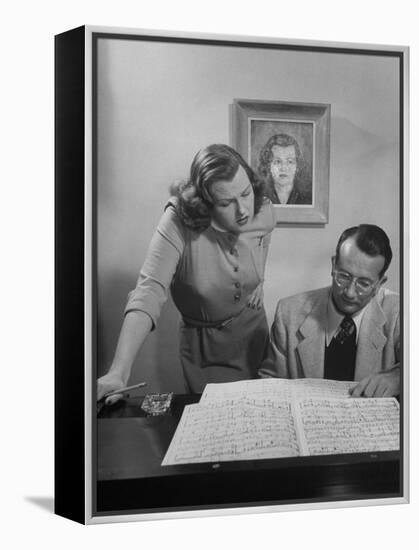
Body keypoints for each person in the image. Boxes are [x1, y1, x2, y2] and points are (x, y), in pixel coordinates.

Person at [98, 144, 276, 400]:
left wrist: (260, 278)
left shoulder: (264, 209)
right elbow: (149, 290)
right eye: (226, 203)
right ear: (205, 202)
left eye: (246, 193)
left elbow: (265, 234)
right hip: (204, 349)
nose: (244, 210)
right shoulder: (178, 221)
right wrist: (118, 371)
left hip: (253, 335)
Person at [259, 224, 400, 397]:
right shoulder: (289, 313)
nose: (349, 292)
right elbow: (268, 385)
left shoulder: (398, 313)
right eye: (344, 276)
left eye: (363, 283)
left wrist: (400, 377)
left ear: (379, 284)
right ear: (333, 265)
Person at [257, 133, 311, 205]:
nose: (283, 168)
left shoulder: (308, 198)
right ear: (268, 165)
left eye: (290, 162)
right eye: (278, 161)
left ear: (297, 166)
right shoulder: (259, 195)